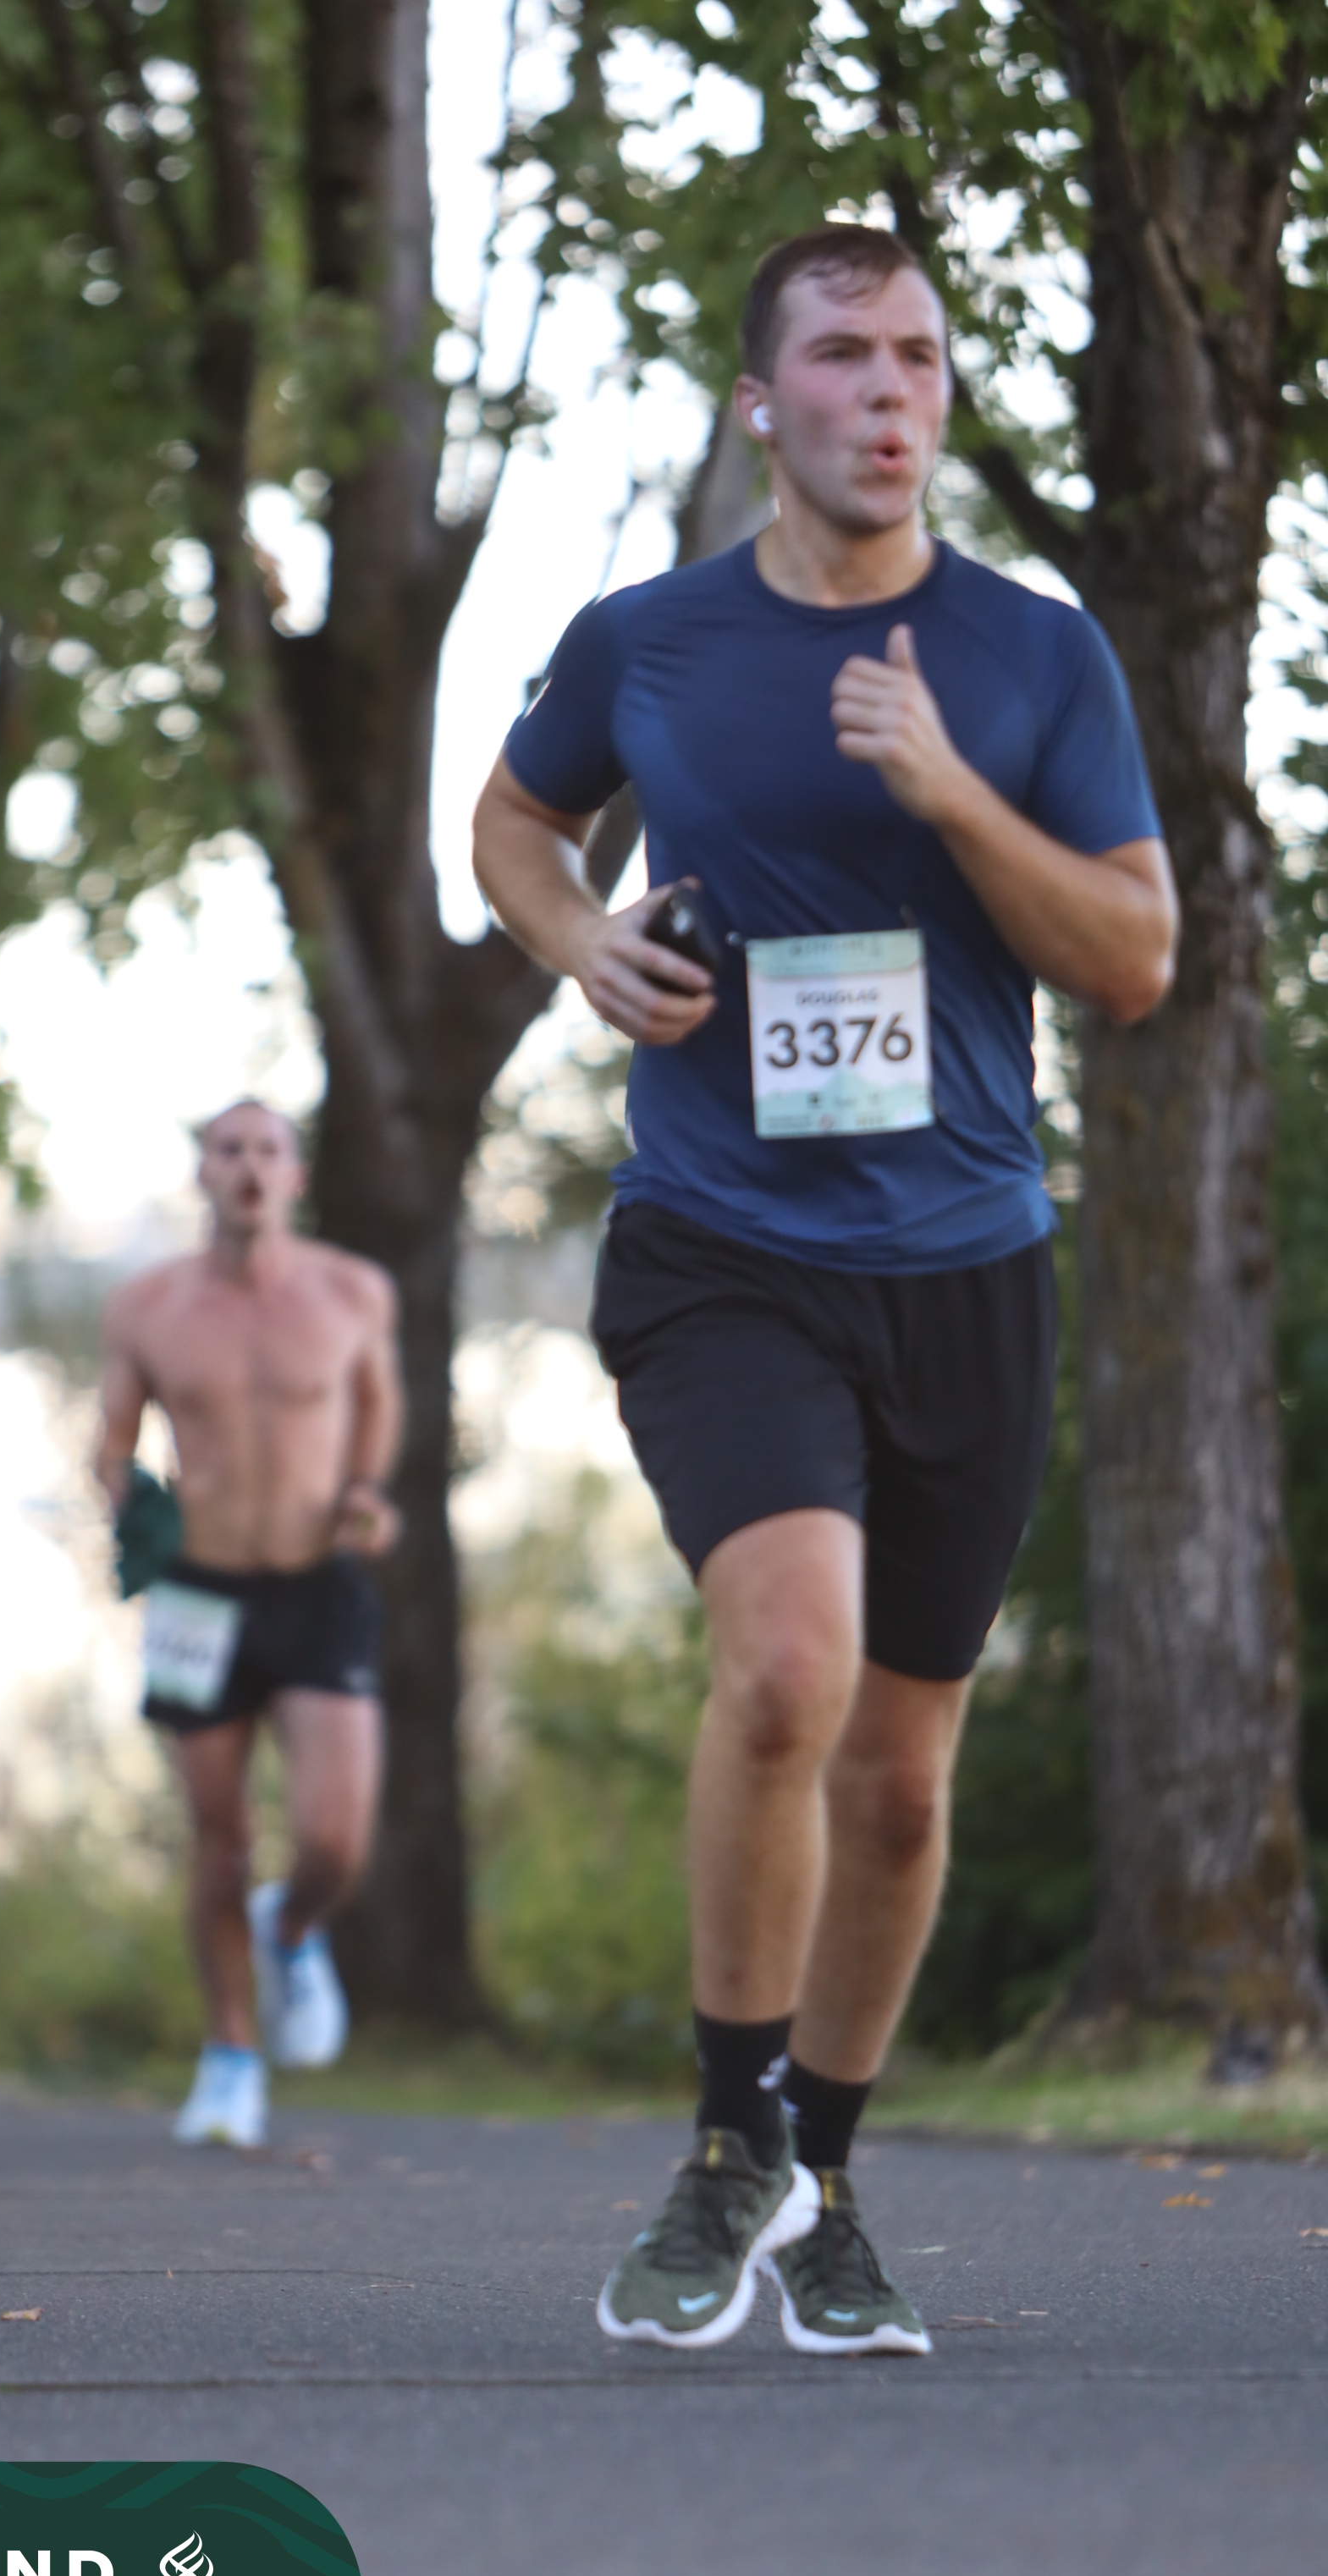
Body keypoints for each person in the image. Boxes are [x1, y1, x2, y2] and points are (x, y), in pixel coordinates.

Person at [472, 224, 1176, 2356]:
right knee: (787, 1674)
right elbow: (512, 824)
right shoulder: (650, 638)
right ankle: (725, 2144)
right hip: (723, 1250)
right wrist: (577, 944)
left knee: (900, 1778)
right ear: (760, 401)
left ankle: (830, 2175)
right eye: (848, 356)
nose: (891, 393)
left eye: (922, 359)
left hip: (965, 1262)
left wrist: (951, 792)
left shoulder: (1034, 656)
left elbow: (1134, 959)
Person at [96, 1100, 402, 2148]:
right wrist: (125, 1501)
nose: (248, 1168)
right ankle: (230, 2057)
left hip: (318, 1584)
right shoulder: (147, 1306)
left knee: (334, 1839)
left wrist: (365, 1491)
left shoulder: (351, 1292)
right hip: (197, 1591)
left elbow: (375, 1403)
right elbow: (112, 1443)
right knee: (218, 1837)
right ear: (202, 1174)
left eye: (267, 1150)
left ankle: (295, 1921)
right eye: (227, 1151)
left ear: (294, 1174)